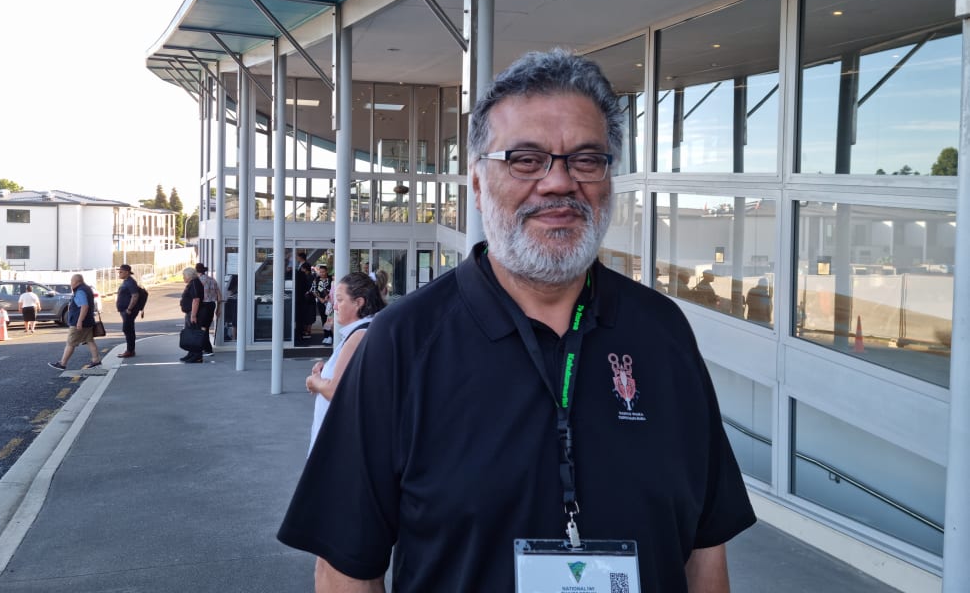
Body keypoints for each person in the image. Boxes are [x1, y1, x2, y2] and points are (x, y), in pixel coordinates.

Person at [278, 49, 755, 592]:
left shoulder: (662, 333)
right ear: (479, 185)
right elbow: (344, 569)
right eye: (526, 159)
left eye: (586, 160)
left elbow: (704, 552)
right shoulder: (402, 344)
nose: (559, 182)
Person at [305, 272, 385, 453]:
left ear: (358, 302)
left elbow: (335, 391)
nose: (335, 306)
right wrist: (326, 370)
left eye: (340, 300)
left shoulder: (359, 335)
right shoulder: (366, 331)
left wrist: (315, 381)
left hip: (337, 443)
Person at [48, 274, 101, 370]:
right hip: (88, 321)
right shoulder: (87, 289)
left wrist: (79, 321)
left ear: (77, 282)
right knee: (89, 340)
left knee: (71, 343)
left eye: (72, 281)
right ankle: (96, 360)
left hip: (79, 322)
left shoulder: (80, 291)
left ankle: (62, 363)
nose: (71, 283)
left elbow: (84, 306)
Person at [195, 262, 221, 356]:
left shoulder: (198, 281)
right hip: (212, 305)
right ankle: (205, 348)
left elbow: (196, 297)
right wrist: (218, 309)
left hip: (203, 306)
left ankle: (207, 349)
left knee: (202, 328)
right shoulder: (212, 280)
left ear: (197, 271)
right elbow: (219, 296)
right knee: (206, 327)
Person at [179, 267, 204, 363]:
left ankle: (197, 356)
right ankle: (191, 353)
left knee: (194, 335)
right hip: (190, 312)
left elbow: (196, 299)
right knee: (190, 334)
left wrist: (193, 315)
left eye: (184, 276)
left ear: (189, 276)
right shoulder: (193, 283)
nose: (183, 277)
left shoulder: (194, 283)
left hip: (193, 313)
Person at [116, 264, 142, 357]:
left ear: (127, 272)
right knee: (128, 329)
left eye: (121, 271)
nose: (119, 273)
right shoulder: (126, 281)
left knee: (128, 329)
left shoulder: (130, 282)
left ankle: (130, 351)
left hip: (128, 311)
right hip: (124, 310)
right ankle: (130, 350)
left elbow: (135, 295)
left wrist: (129, 309)